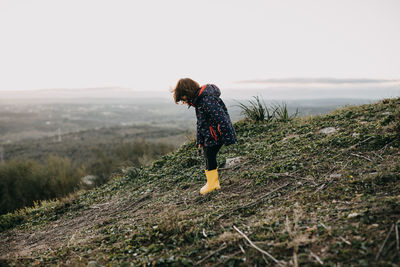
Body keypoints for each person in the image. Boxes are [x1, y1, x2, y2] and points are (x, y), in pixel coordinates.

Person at [172, 78, 237, 195]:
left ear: (188, 91)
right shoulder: (199, 100)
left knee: (209, 155)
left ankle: (212, 184)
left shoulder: (206, 99)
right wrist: (200, 140)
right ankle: (212, 183)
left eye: (183, 97)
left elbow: (221, 118)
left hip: (216, 134)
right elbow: (201, 123)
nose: (184, 100)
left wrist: (228, 137)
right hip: (210, 135)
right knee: (208, 154)